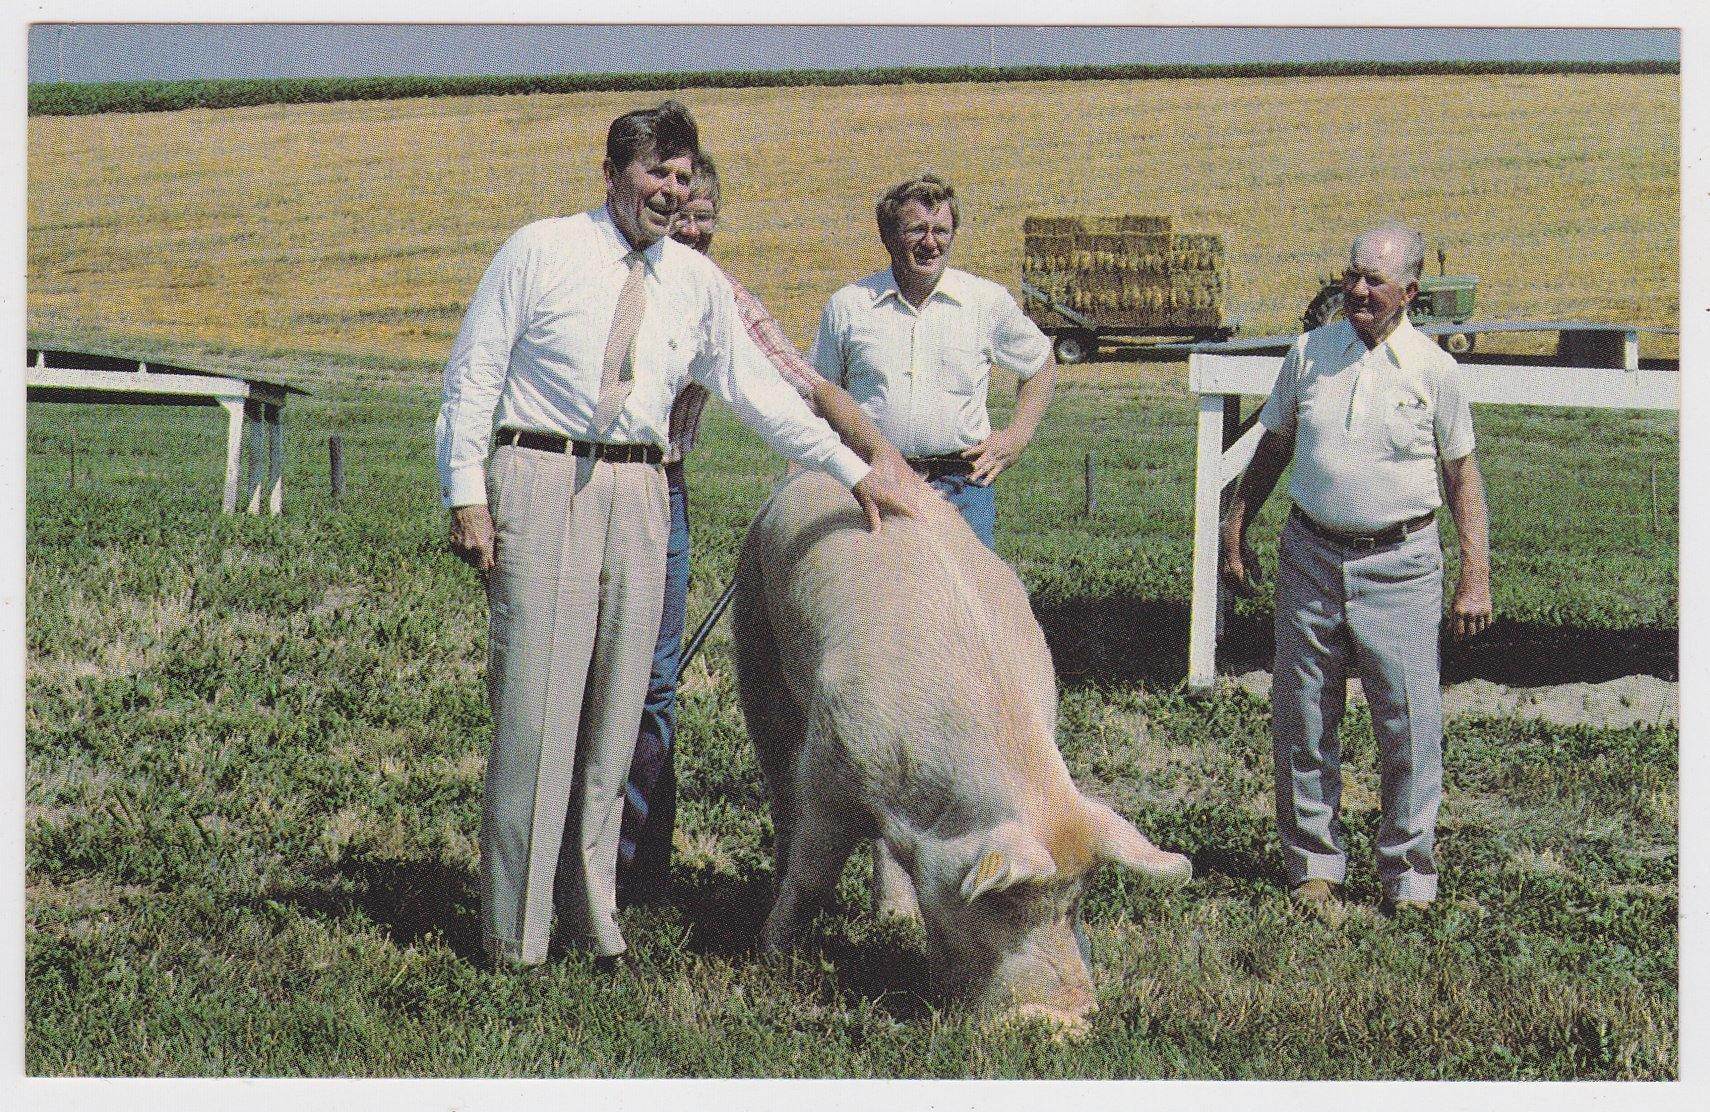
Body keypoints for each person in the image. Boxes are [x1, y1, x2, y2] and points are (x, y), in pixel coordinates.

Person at [435, 100, 916, 970]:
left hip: (642, 484)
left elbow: (764, 396)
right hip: (543, 474)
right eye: (655, 172)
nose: (669, 190)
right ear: (613, 173)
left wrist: (853, 469)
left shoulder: (695, 284)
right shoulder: (539, 250)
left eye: (683, 176)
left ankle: (594, 917)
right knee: (538, 711)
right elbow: (473, 376)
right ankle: (515, 932)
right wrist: (466, 493)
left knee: (621, 711)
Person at [616, 154, 923, 907]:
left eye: (704, 221)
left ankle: (636, 875)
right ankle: (569, 864)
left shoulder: (721, 297)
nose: (690, 231)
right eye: (677, 215)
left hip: (661, 492)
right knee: (588, 681)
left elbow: (806, 385)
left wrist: (880, 457)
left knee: (652, 688)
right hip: (577, 486)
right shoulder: (600, 274)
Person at [1219, 223, 1492, 915]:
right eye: (1352, 275)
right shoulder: (1310, 354)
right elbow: (1274, 444)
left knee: (1408, 723)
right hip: (1310, 556)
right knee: (1304, 716)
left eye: (1375, 280)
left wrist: (1474, 576)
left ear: (1410, 291)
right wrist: (1236, 523)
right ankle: (1314, 864)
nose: (1360, 290)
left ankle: (1409, 877)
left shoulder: (1435, 370)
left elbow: (1462, 477)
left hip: (1400, 564)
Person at [809, 173, 1057, 549]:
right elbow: (819, 395)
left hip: (963, 490)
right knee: (883, 601)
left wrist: (1015, 438)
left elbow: (1040, 363)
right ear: (888, 237)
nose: (930, 242)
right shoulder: (849, 306)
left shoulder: (984, 302)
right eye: (917, 230)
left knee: (973, 603)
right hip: (877, 488)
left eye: (941, 230)